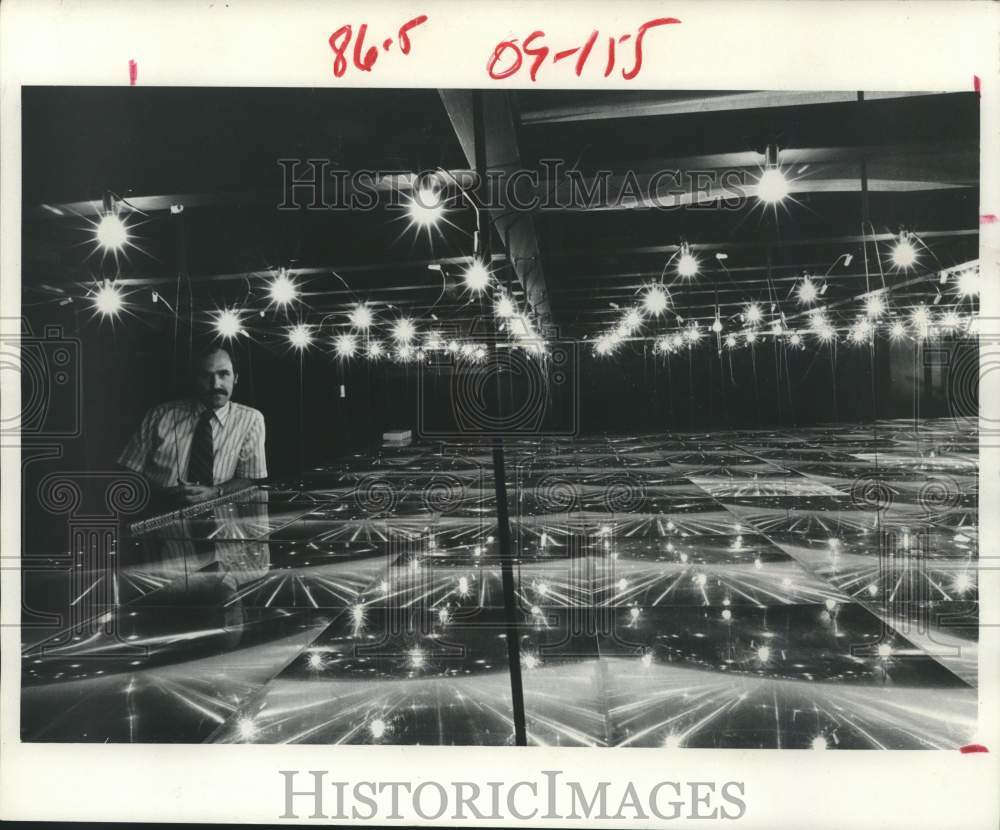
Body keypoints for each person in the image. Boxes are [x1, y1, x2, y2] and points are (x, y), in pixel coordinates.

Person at [119, 345, 267, 507]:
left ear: (236, 378)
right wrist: (162, 494)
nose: (215, 384)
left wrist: (216, 492)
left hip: (220, 520)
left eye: (224, 374)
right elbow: (128, 473)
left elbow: (250, 479)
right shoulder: (159, 414)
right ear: (194, 378)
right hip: (156, 513)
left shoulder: (251, 419)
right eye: (205, 375)